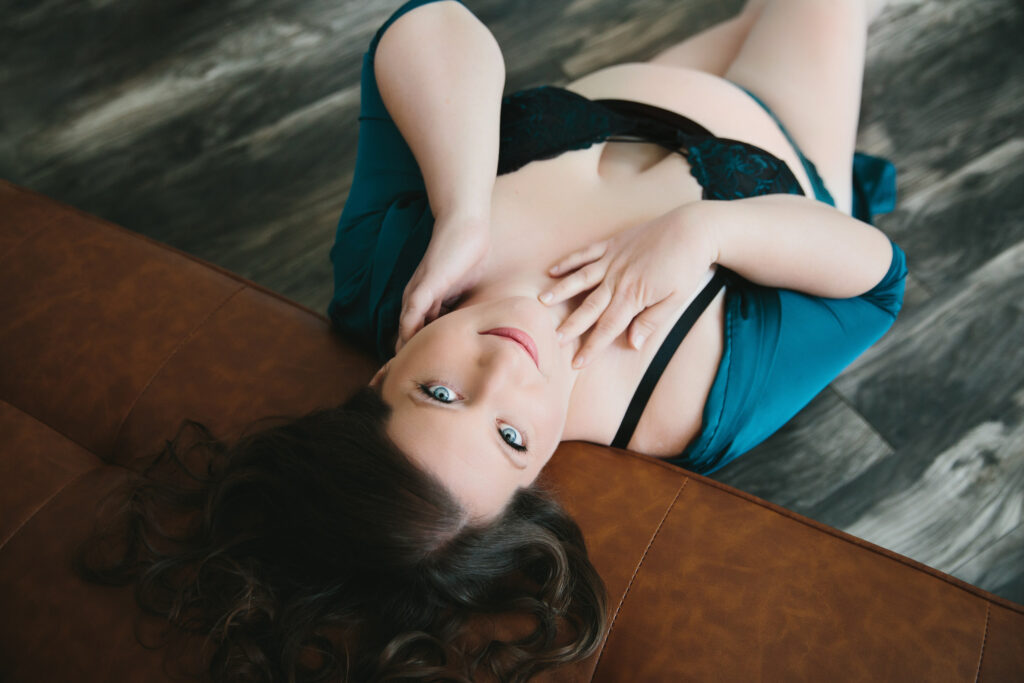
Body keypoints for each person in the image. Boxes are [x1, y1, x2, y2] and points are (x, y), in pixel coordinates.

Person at [75, 1, 905, 681]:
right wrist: (707, 232)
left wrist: (464, 207)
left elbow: (427, 24)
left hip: (644, 87)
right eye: (510, 438)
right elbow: (877, 281)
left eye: (440, 393)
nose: (506, 368)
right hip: (778, 128)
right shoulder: (681, 406)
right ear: (537, 479)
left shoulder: (390, 274)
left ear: (382, 374)